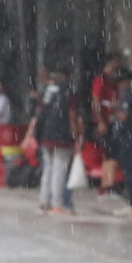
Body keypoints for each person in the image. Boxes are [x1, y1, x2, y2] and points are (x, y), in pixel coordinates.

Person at [26, 68, 81, 215]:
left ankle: (44, 203)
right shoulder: (69, 91)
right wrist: (76, 137)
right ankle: (57, 204)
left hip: (45, 135)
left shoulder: (46, 91)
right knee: (59, 170)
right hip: (62, 135)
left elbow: (38, 114)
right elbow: (72, 116)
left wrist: (34, 134)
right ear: (67, 77)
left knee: (48, 169)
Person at [91, 53, 122, 197]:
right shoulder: (100, 80)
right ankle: (107, 184)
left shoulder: (113, 82)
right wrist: (101, 122)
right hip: (105, 122)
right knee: (109, 154)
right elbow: (96, 102)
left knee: (113, 153)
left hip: (113, 121)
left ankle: (109, 183)